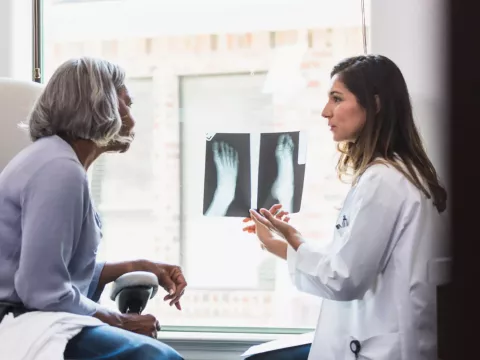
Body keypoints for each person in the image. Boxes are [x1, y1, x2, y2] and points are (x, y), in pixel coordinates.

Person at [242, 55, 448, 360]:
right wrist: (279, 243)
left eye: (337, 99)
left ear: (374, 104)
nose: (326, 112)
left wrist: (291, 236)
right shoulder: (400, 173)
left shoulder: (384, 180)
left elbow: (344, 278)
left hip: (378, 348)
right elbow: (350, 262)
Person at [0, 57, 186, 359]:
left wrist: (135, 266)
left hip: (30, 315)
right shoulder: (59, 169)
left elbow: (55, 272)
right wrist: (119, 320)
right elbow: (41, 290)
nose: (132, 119)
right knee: (160, 358)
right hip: (17, 322)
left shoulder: (55, 160)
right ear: (100, 106)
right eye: (126, 103)